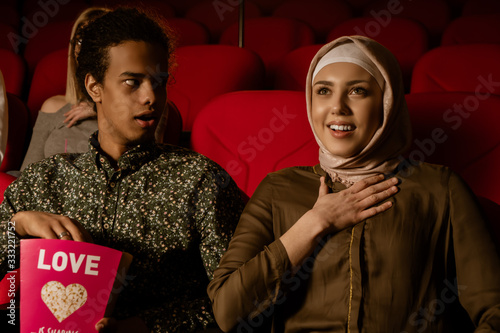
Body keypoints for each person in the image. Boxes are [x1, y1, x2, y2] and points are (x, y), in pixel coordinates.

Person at [207, 35, 500, 332]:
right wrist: (315, 223)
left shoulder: (440, 188)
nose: (337, 107)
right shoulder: (277, 189)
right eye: (323, 91)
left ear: (387, 102)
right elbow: (229, 312)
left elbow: (494, 309)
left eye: (357, 91)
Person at [0, 7, 244, 332]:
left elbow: (237, 303)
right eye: (133, 82)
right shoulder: (44, 180)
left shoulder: (200, 180)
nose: (150, 97)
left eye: (158, 83)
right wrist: (18, 223)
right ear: (94, 87)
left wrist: (143, 326)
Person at [20, 7, 109, 171]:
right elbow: (27, 172)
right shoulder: (53, 106)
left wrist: (102, 107)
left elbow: (142, 175)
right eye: (81, 40)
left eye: (96, 39)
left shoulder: (142, 107)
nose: (85, 48)